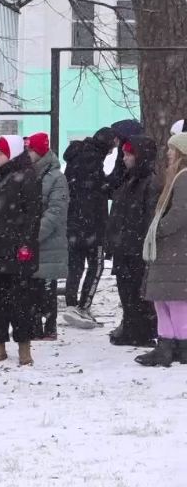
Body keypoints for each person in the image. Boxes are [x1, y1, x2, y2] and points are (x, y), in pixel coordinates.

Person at [0, 135, 43, 367]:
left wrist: (26, 243)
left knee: (20, 300)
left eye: (0, 153)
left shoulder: (27, 177)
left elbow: (33, 214)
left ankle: (24, 346)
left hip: (18, 248)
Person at [137, 133, 187, 367]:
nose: (168, 153)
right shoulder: (177, 177)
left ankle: (178, 345)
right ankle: (167, 345)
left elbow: (179, 214)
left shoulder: (184, 178)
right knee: (163, 299)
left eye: (172, 149)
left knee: (175, 300)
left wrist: (157, 229)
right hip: (170, 253)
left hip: (176, 251)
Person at [105, 136, 158, 347]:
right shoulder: (130, 179)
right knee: (126, 291)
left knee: (137, 292)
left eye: (128, 154)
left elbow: (147, 218)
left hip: (135, 248)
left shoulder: (148, 182)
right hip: (125, 246)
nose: (124, 158)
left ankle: (140, 330)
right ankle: (131, 327)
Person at [61, 127, 114, 330]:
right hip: (93, 224)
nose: (111, 153)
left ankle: (71, 304)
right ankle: (83, 306)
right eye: (111, 148)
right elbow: (102, 189)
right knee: (96, 265)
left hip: (74, 221)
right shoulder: (93, 160)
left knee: (75, 265)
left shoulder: (76, 156)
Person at [27, 133, 69, 340]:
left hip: (48, 242)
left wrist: (35, 233)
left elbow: (56, 211)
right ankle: (34, 326)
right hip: (35, 241)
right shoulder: (29, 174)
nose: (28, 154)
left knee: (47, 288)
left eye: (31, 150)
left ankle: (49, 327)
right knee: (32, 286)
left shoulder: (56, 178)